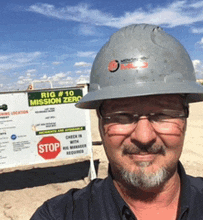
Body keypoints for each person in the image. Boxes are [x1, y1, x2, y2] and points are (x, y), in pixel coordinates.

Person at [31, 24, 203, 219]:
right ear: (100, 123)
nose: (144, 137)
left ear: (185, 119)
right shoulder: (59, 215)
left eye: (162, 114)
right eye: (121, 116)